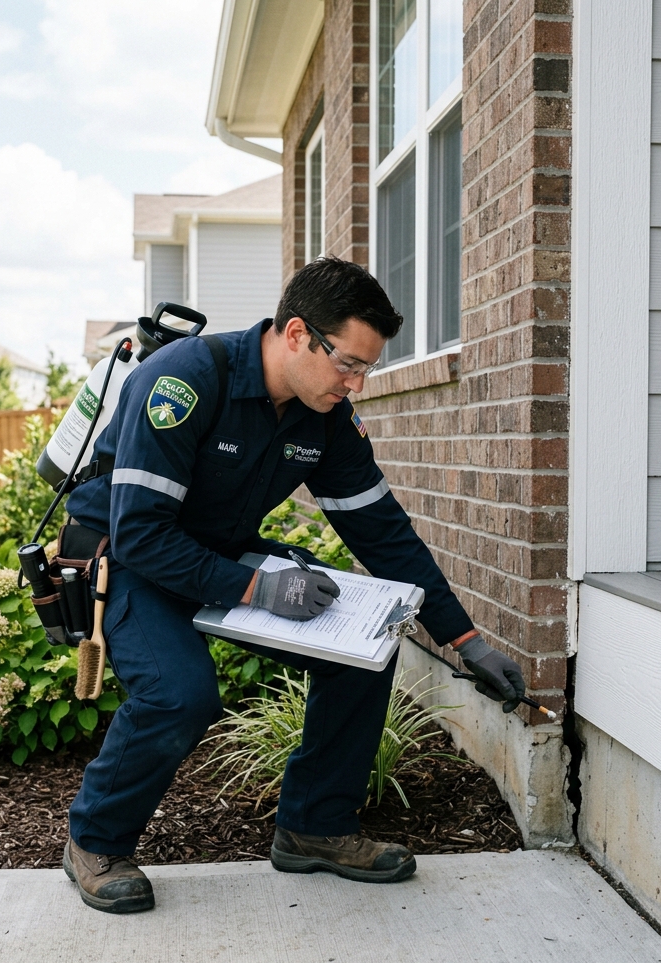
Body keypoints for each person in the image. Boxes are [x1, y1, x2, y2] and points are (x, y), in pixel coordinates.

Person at [61, 256, 526, 914]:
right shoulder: (184, 380)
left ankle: (314, 827)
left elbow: (384, 535)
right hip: (128, 556)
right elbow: (141, 535)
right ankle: (95, 842)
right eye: (349, 364)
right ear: (299, 334)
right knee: (179, 694)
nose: (356, 384)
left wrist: (466, 641)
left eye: (367, 368)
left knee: (363, 650)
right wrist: (259, 589)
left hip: (219, 551)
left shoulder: (324, 415)